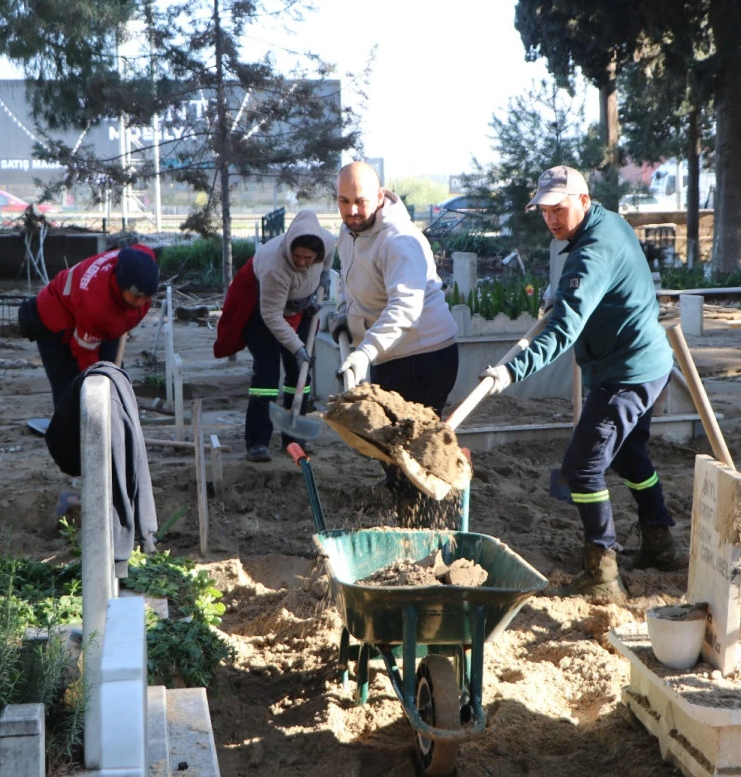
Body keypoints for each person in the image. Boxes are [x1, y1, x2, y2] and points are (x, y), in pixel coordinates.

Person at [481, 166, 678, 602]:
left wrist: (511, 371)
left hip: (626, 373)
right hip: (646, 363)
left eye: (559, 208)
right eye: (544, 210)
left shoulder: (590, 254)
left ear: (584, 201)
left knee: (582, 469)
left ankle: (603, 571)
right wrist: (564, 294)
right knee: (630, 458)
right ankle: (661, 541)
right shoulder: (608, 222)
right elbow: (595, 290)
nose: (551, 219)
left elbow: (563, 332)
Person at [330, 162, 459, 485]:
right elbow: (348, 280)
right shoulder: (349, 233)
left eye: (360, 200)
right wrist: (344, 313)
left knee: (412, 450)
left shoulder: (399, 240)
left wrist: (363, 352)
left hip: (424, 356)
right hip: (387, 354)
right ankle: (402, 500)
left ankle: (421, 521)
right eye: (344, 201)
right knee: (388, 445)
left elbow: (405, 308)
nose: (353, 210)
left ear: (379, 196)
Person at [213, 210, 335, 462]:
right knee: (267, 372)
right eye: (297, 256)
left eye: (308, 258)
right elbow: (272, 316)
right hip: (262, 310)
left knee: (299, 372)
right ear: (289, 247)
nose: (301, 262)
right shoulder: (274, 265)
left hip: (298, 306)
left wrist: (321, 281)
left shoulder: (327, 242)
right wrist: (298, 347)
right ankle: (257, 440)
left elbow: (328, 260)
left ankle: (293, 436)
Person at [18, 242, 159, 409]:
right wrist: (95, 395)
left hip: (100, 321)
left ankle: (116, 424)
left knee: (115, 382)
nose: (142, 302)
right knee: (71, 392)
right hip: (55, 321)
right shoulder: (96, 307)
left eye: (147, 296)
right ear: (121, 285)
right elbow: (86, 355)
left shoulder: (141, 257)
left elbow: (141, 250)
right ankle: (74, 432)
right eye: (137, 297)